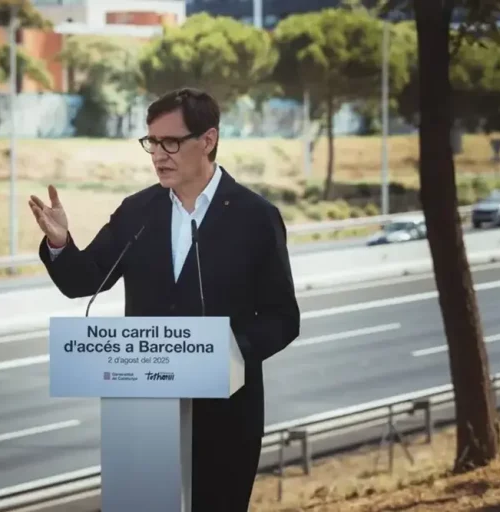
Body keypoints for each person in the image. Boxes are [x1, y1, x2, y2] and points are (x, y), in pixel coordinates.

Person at [28, 87, 300, 511]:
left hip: (225, 418)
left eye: (170, 142)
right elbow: (85, 279)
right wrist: (61, 243)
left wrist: (226, 352)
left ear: (207, 140)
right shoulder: (137, 211)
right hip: (144, 414)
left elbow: (282, 318)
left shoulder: (255, 216)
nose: (158, 155)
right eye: (151, 142)